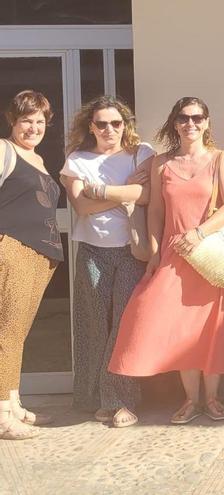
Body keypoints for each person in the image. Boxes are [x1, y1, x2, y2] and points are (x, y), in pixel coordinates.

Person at [108, 97, 224, 424]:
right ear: (175, 123)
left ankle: (212, 399)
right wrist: (155, 253)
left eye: (197, 117)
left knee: (209, 327)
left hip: (211, 256)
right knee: (174, 323)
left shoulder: (220, 159)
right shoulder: (161, 164)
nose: (190, 124)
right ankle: (190, 399)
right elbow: (156, 211)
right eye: (183, 118)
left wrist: (199, 233)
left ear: (207, 122)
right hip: (174, 255)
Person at [60, 95, 154, 428]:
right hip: (92, 249)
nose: (110, 129)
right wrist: (123, 190)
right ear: (91, 126)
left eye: (117, 123)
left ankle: (119, 400)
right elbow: (81, 209)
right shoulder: (76, 160)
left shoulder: (141, 153)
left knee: (124, 326)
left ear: (125, 125)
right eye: (102, 124)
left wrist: (99, 191)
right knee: (94, 325)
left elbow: (145, 195)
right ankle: (91, 398)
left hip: (131, 249)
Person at [0, 90, 61, 440]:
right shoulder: (5, 150)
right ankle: (3, 414)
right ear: (13, 120)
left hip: (41, 255)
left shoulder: (38, 159)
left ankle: (14, 402)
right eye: (27, 120)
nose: (34, 127)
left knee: (17, 333)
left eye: (40, 121)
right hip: (14, 248)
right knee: (7, 333)